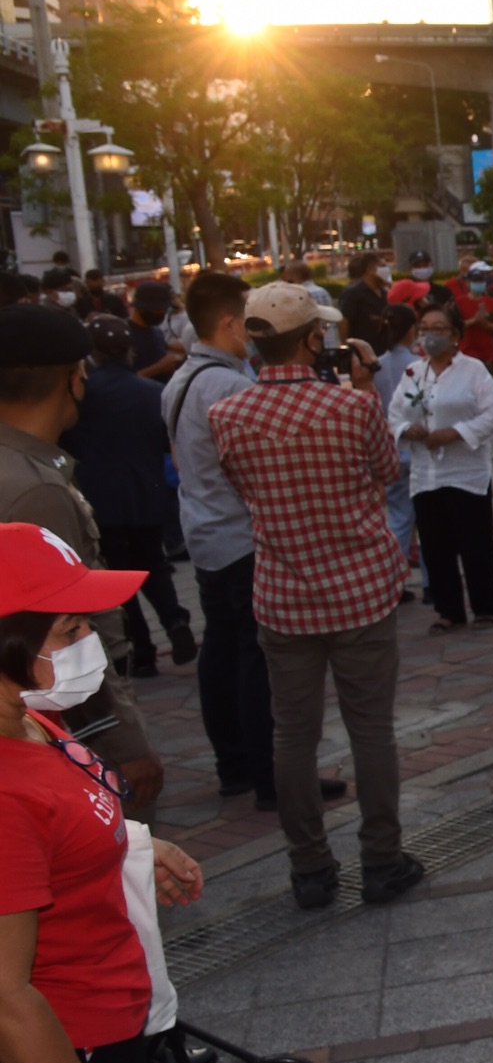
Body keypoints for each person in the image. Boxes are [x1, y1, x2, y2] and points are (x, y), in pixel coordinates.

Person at [0, 523, 283, 1063]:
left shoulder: (28, 715)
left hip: (108, 1019)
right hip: (63, 1057)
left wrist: (131, 850)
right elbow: (4, 994)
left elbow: (66, 819)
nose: (90, 642)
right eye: (68, 629)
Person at [208, 283, 424, 911]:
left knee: (292, 737)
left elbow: (240, 487)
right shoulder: (352, 407)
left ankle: (309, 868)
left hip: (283, 595)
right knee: (371, 732)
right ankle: (381, 860)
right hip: (360, 591)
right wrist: (360, 385)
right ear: (311, 339)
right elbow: (388, 471)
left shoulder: (227, 416)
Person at [165, 272, 320, 813]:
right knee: (258, 658)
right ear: (231, 324)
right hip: (240, 535)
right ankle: (271, 775)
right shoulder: (230, 387)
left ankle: (233, 766)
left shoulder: (180, 380)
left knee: (222, 649)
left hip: (206, 532)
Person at [0, 308, 162, 814]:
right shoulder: (35, 489)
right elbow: (65, 631)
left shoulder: (25, 467)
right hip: (58, 718)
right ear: (74, 379)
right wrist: (123, 740)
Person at [61, 316, 194, 680]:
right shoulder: (150, 392)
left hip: (102, 499)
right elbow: (164, 442)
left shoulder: (83, 396)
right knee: (153, 563)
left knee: (119, 576)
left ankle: (143, 651)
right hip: (147, 494)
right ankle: (175, 618)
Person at [388, 302, 493, 633]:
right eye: (424, 329)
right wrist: (406, 429)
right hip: (426, 474)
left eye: (438, 329)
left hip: (465, 473)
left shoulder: (473, 370)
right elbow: (394, 415)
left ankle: (485, 606)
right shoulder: (414, 373)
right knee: (436, 545)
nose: (429, 335)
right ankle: (448, 610)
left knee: (475, 543)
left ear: (455, 335)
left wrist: (455, 433)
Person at [372, 303, 423, 601]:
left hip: (390, 449)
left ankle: (394, 581)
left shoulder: (376, 366)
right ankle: (432, 583)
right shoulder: (419, 365)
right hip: (417, 447)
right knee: (427, 520)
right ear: (411, 329)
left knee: (399, 518)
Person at [335, 251, 392, 352]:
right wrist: (345, 348)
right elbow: (344, 322)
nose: (386, 270)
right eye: (382, 266)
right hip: (361, 353)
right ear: (369, 269)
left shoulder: (384, 293)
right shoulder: (353, 294)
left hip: (384, 352)